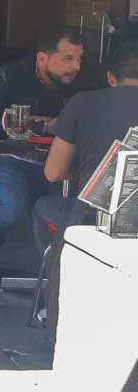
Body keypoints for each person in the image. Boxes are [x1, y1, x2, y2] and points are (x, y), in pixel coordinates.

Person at [0, 28, 85, 281]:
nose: (76, 66)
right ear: (42, 58)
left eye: (80, 59)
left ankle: (59, 267)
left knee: (74, 210)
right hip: (8, 156)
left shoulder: (84, 83)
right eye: (68, 59)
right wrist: (16, 122)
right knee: (14, 206)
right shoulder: (11, 73)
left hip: (57, 160)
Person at [36, 40, 138, 248]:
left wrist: (89, 169)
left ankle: (58, 273)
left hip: (91, 218)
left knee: (43, 206)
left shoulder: (82, 102)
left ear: (111, 77)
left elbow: (53, 173)